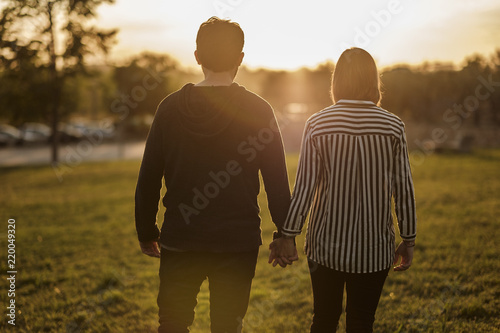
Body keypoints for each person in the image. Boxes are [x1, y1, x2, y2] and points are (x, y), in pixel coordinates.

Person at [135, 17, 293, 333]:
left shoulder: (169, 108)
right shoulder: (258, 109)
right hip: (237, 241)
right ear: (240, 59)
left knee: (173, 323)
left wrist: (146, 230)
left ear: (196, 56)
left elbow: (150, 175)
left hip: (180, 239)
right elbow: (276, 179)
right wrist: (285, 234)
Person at [269, 47, 417, 332]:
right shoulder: (393, 127)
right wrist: (408, 239)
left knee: (323, 319)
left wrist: (288, 235)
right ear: (373, 80)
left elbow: (304, 188)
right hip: (375, 249)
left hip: (325, 247)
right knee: (362, 321)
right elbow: (404, 189)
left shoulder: (318, 124)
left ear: (337, 81)